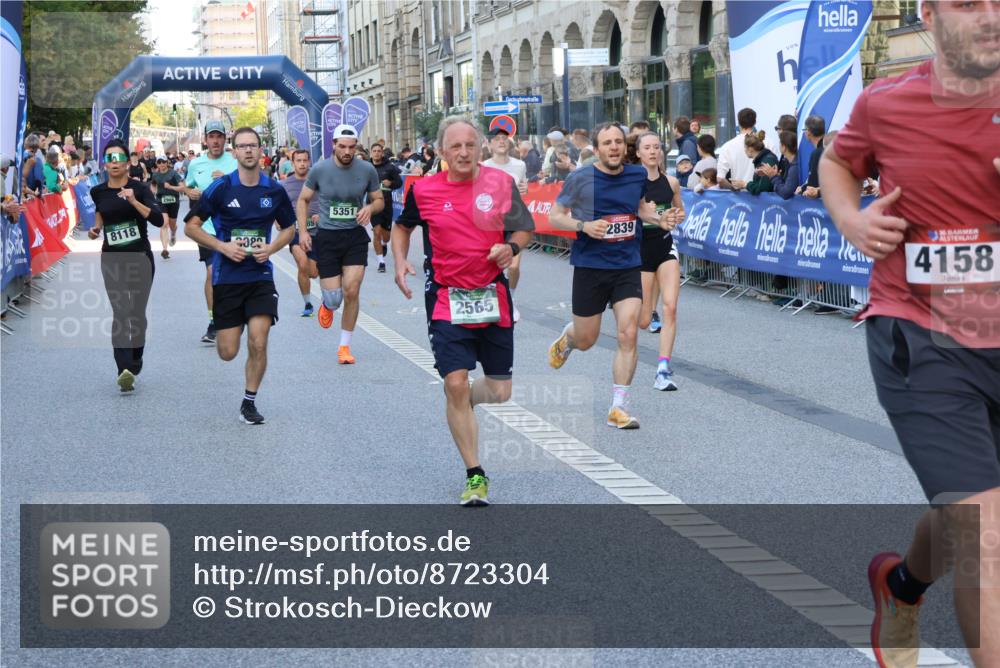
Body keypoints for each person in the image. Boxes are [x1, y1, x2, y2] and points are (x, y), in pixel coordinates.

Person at [820, 2, 1000, 666]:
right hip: (921, 334)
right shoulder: (886, 102)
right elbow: (837, 163)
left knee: (967, 516)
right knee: (982, 530)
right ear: (928, 11)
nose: (990, 16)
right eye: (968, 2)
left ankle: (902, 586)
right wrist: (853, 220)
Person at [392, 116, 534, 505]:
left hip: (492, 296)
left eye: (470, 145)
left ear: (480, 148)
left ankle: (462, 399)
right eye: (455, 146)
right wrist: (400, 261)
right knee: (455, 382)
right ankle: (475, 475)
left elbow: (524, 228)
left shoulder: (500, 184)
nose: (464, 152)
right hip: (445, 296)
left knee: (500, 391)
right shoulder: (424, 190)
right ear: (441, 151)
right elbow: (402, 227)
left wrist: (511, 247)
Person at [546, 122, 677, 429]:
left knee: (628, 332)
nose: (614, 147)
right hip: (591, 267)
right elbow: (555, 216)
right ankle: (569, 338)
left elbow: (641, 209)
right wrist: (584, 226)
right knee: (587, 339)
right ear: (597, 149)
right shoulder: (581, 178)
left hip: (627, 265)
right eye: (607, 143)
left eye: (618, 141)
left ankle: (619, 406)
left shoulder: (636, 175)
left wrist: (660, 219)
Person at [184, 127, 297, 425]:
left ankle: (249, 402)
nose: (248, 150)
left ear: (261, 151)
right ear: (234, 152)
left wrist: (271, 248)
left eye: (253, 145)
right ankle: (236, 328)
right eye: (243, 146)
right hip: (228, 278)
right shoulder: (221, 188)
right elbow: (191, 226)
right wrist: (222, 246)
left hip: (260, 277)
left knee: (258, 342)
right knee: (227, 351)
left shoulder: (273, 190)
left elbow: (289, 228)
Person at [296, 124, 384, 364]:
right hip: (327, 237)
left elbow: (379, 199)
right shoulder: (319, 170)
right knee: (334, 299)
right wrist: (303, 232)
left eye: (352, 147)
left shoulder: (367, 169)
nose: (347, 152)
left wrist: (369, 208)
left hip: (354, 236)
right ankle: (327, 304)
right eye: (342, 147)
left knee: (352, 290)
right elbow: (303, 200)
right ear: (333, 145)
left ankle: (344, 347)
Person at [86, 140, 164, 392]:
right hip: (112, 259)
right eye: (109, 158)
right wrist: (96, 228)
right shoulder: (97, 191)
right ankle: (124, 371)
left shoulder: (139, 189)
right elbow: (101, 211)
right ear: (104, 164)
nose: (114, 162)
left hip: (140, 258)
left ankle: (136, 355)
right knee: (120, 313)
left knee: (136, 314)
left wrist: (134, 202)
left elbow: (159, 220)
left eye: (118, 157)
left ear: (127, 162)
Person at [632, 132, 685, 391]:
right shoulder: (633, 184)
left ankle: (663, 369)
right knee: (643, 321)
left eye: (656, 147)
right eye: (647, 148)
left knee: (670, 308)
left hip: (665, 246)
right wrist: (646, 214)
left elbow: (681, 210)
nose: (653, 151)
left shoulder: (671, 182)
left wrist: (676, 216)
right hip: (641, 251)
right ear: (638, 153)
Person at [184, 120, 239, 344]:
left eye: (219, 137)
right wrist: (190, 192)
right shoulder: (195, 164)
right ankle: (214, 321)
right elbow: (187, 185)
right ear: (205, 140)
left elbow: (247, 188)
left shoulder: (234, 162)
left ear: (225, 139)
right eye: (211, 137)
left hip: (232, 226)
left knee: (231, 273)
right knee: (211, 272)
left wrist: (227, 181)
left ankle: (234, 314)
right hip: (206, 228)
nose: (215, 141)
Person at [482, 128, 529, 322]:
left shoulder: (520, 165)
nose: (501, 141)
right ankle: (492, 301)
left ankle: (511, 298)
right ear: (489, 144)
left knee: (514, 266)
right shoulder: (483, 166)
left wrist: (525, 189)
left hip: (514, 219)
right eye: (497, 139)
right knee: (493, 265)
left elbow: (524, 187)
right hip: (491, 221)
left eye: (504, 138)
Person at [281, 149, 322, 317]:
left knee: (313, 272)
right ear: (293, 163)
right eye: (299, 160)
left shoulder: (318, 181)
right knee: (302, 263)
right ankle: (307, 303)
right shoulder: (285, 185)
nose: (302, 164)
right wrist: (278, 221)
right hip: (296, 231)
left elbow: (329, 200)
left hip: (317, 231)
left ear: (309, 162)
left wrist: (323, 214)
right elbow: (278, 206)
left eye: (305, 160)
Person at [369, 142, 403, 273]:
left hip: (387, 205)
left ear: (382, 153)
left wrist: (391, 183)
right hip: (373, 205)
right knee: (376, 232)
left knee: (386, 236)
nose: (376, 153)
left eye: (379, 151)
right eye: (374, 151)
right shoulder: (367, 167)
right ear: (371, 153)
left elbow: (399, 182)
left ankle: (384, 244)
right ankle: (381, 262)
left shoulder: (390, 167)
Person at [149, 157, 183, 259]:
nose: (161, 164)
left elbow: (182, 187)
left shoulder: (173, 173)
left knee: (172, 225)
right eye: (159, 162)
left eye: (163, 162)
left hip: (174, 201)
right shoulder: (155, 174)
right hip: (161, 200)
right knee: (164, 223)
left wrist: (171, 187)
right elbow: (153, 185)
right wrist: (153, 191)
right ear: (157, 163)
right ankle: (165, 249)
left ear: (167, 163)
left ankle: (173, 233)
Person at [717, 107, 758, 190]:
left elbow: (720, 179)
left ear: (738, 123)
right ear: (755, 122)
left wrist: (733, 188)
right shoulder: (767, 143)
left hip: (738, 195)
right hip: (761, 195)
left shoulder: (727, 146)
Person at [761, 131, 799, 200]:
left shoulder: (794, 167)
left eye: (779, 143)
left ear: (784, 147)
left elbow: (785, 193)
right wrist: (776, 176)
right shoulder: (788, 163)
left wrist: (773, 177)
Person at [797, 114, 826, 198]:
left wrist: (803, 189)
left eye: (804, 130)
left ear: (808, 132)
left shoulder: (817, 154)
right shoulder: (830, 147)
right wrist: (803, 188)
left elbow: (813, 185)